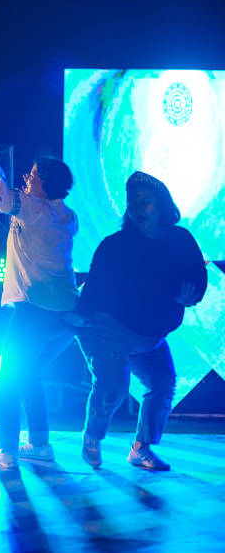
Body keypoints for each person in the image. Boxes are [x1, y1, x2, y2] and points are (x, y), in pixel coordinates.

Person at [0, 152, 79, 469]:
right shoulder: (68, 215)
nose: (26, 178)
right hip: (65, 318)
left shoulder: (32, 208)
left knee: (7, 377)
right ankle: (40, 443)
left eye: (32, 175)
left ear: (45, 184)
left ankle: (7, 449)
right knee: (29, 373)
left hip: (35, 311)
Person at [74, 171, 207, 471]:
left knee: (163, 383)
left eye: (144, 202)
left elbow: (197, 277)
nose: (137, 209)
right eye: (132, 203)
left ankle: (140, 449)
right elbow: (92, 291)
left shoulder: (180, 239)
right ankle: (92, 437)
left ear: (161, 206)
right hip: (107, 330)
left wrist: (192, 295)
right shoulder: (115, 245)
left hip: (151, 337)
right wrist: (79, 319)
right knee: (113, 386)